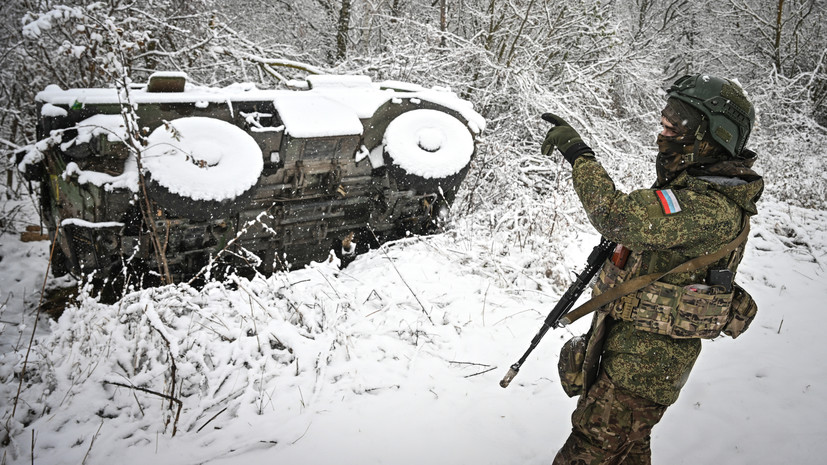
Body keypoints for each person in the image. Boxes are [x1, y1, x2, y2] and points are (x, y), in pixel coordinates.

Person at [541, 74, 764, 464]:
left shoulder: (708, 206)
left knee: (588, 453)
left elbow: (615, 216)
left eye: (675, 124)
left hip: (642, 370)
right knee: (629, 451)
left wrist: (579, 154)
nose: (664, 130)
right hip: (632, 357)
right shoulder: (697, 190)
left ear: (713, 134)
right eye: (666, 120)